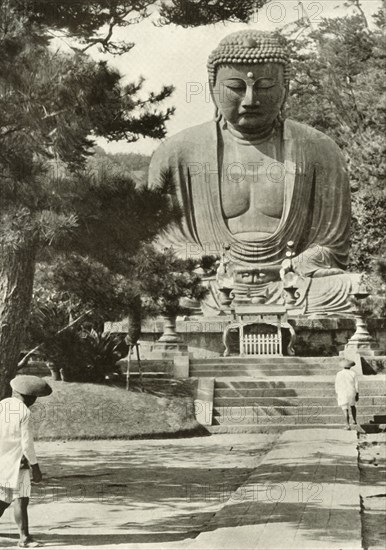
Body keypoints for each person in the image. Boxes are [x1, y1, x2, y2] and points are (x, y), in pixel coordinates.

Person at [148, 30, 361, 315]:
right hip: (210, 287)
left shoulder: (320, 149)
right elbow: (164, 243)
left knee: (358, 287)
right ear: (213, 88)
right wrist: (204, 261)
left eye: (265, 86)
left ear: (285, 88)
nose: (250, 99)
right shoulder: (178, 152)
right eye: (236, 87)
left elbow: (332, 245)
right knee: (149, 295)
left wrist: (292, 266)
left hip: (294, 285)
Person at [0, 375, 52, 548]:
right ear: (30, 396)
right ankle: (24, 538)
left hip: (0, 457)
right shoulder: (24, 412)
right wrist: (35, 466)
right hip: (17, 462)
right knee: (21, 499)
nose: (34, 401)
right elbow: (26, 443)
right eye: (34, 397)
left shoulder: (2, 405)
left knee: (4, 498)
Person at [335, 359, 359, 430]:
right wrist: (357, 393)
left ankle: (347, 424)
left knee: (345, 409)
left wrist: (337, 393)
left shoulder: (339, 374)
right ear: (350, 367)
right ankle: (354, 420)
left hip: (342, 392)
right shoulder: (353, 373)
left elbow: (337, 384)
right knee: (352, 405)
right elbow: (356, 384)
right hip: (351, 391)